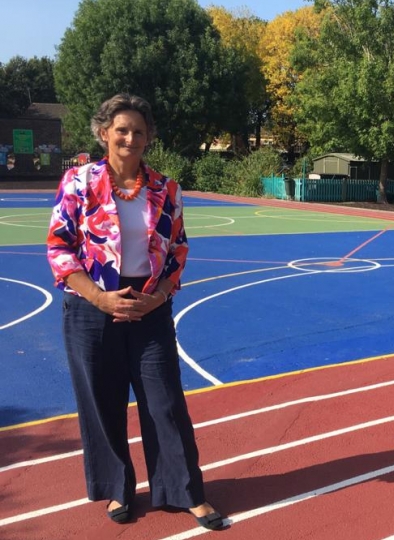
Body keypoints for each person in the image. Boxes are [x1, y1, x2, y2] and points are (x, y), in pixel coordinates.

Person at [46, 93, 225, 530]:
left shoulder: (166, 188)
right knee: (102, 403)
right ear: (104, 133)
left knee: (165, 402)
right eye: (121, 130)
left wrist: (159, 297)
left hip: (150, 306)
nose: (130, 138)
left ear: (149, 138)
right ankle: (116, 489)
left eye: (138, 131)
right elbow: (59, 247)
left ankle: (185, 491)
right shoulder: (78, 181)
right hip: (91, 307)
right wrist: (99, 298)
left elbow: (178, 250)